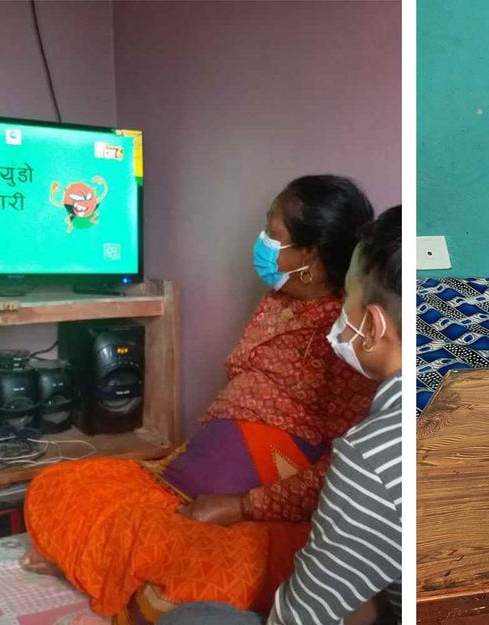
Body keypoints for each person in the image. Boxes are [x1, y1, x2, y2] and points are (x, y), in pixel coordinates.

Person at [21, 175, 379, 617]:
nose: (261, 242)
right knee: (58, 484)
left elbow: (337, 468)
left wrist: (240, 506)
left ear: (309, 255)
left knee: (200, 565)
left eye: (273, 232)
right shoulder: (278, 299)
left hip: (252, 513)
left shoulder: (349, 337)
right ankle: (108, 568)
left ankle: (100, 565)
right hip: (176, 482)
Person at [160, 206, 403, 625]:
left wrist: (243, 504)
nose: (341, 313)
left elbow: (294, 619)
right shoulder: (274, 304)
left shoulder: (367, 454)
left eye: (349, 299)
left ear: (376, 326)